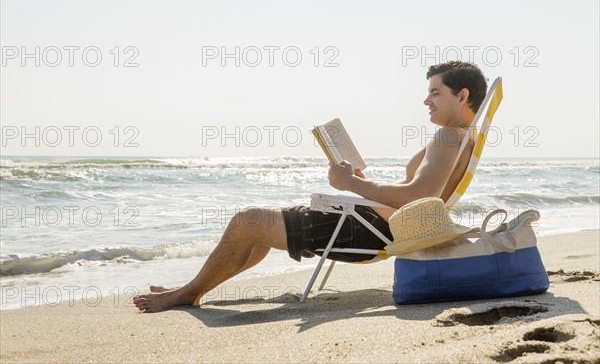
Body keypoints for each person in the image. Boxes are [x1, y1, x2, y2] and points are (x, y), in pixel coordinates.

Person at [133, 61, 488, 312]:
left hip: (368, 232)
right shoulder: (461, 138)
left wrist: (349, 183)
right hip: (373, 226)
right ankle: (191, 290)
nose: (426, 101)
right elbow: (417, 193)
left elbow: (418, 198)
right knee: (257, 227)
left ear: (462, 96)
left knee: (247, 221)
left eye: (435, 93)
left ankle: (186, 294)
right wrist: (361, 185)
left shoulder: (447, 136)